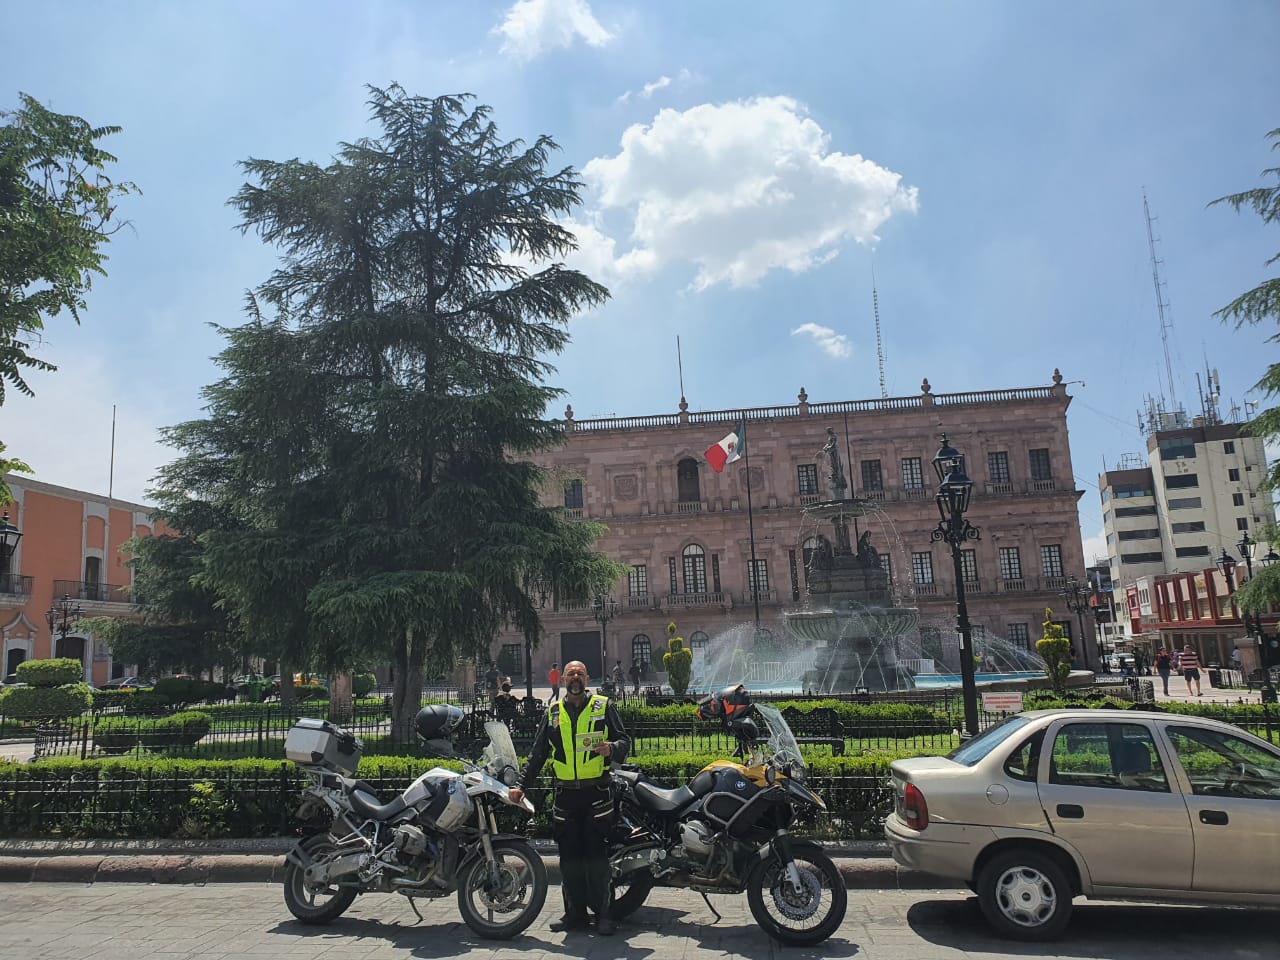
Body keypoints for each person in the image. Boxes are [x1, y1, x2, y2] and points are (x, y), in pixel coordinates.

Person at [508, 660, 629, 936]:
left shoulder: (603, 706)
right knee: (569, 860)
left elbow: (625, 741)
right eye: (570, 674)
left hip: (596, 794)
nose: (575, 678)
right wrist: (520, 786)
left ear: (587, 678)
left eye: (580, 674)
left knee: (597, 859)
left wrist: (612, 748)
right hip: (565, 796)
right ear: (563, 679)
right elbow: (538, 754)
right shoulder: (552, 712)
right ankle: (574, 915)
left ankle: (604, 915)